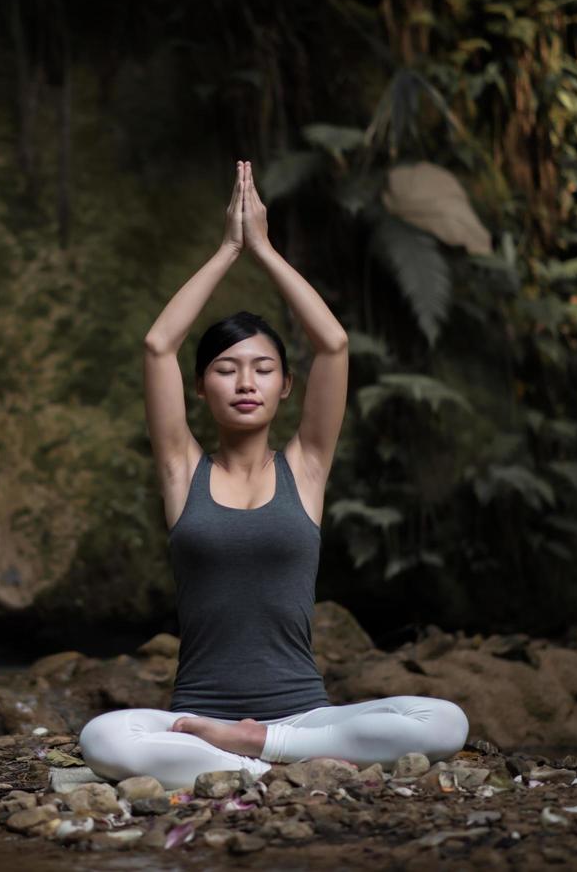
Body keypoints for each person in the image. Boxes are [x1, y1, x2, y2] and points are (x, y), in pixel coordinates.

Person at [77, 160, 469, 791]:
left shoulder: (306, 469)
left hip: (306, 714)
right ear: (200, 388)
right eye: (226, 369)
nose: (246, 382)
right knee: (101, 738)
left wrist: (264, 248)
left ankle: (259, 750)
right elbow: (157, 345)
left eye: (262, 368)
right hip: (196, 715)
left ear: (287, 386)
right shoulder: (182, 472)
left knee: (445, 721)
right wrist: (228, 249)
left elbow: (334, 344)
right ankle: (270, 765)